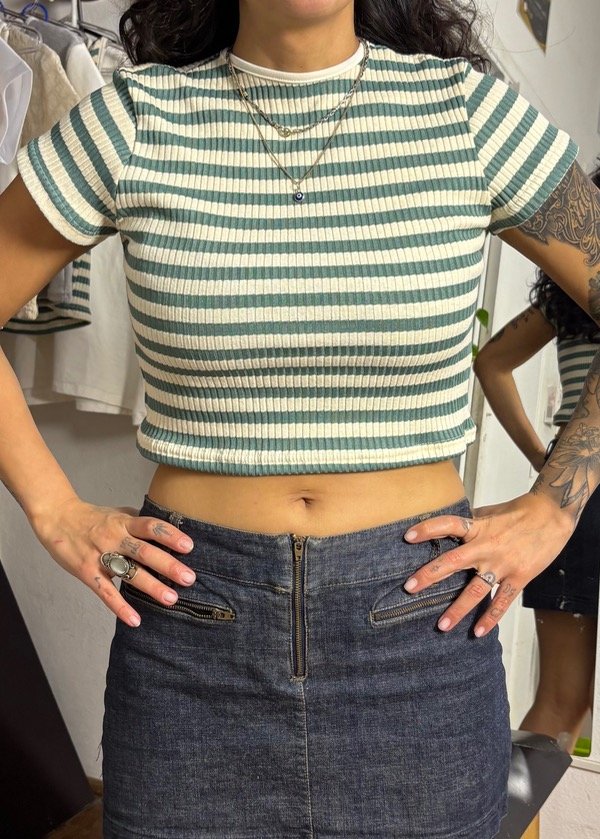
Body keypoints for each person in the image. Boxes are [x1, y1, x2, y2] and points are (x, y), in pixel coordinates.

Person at [0, 1, 599, 836]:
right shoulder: (136, 120)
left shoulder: (466, 113)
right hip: (193, 640)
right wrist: (53, 508)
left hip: (419, 634)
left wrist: (555, 506)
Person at [473, 165, 600, 755]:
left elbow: (491, 362)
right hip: (576, 500)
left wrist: (544, 459)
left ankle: (507, 809)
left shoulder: (566, 301)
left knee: (560, 701)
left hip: (577, 498)